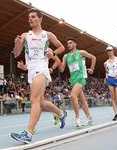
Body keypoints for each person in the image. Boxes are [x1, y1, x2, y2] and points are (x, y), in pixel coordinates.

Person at [11, 9, 67, 144]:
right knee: (40, 102)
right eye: (29, 17)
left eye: (33, 17)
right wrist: (16, 43)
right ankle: (61, 113)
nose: (30, 19)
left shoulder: (47, 35)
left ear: (40, 19)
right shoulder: (25, 35)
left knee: (34, 99)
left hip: (41, 69)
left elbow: (61, 47)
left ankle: (28, 133)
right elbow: (16, 53)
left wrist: (52, 51)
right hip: (30, 70)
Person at [59, 36, 96, 128]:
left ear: (75, 44)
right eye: (67, 43)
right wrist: (55, 59)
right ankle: (89, 118)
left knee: (73, 96)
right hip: (73, 80)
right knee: (83, 101)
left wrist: (91, 68)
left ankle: (77, 119)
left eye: (70, 43)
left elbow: (93, 57)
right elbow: (62, 69)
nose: (69, 45)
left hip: (80, 78)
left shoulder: (81, 52)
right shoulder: (65, 56)